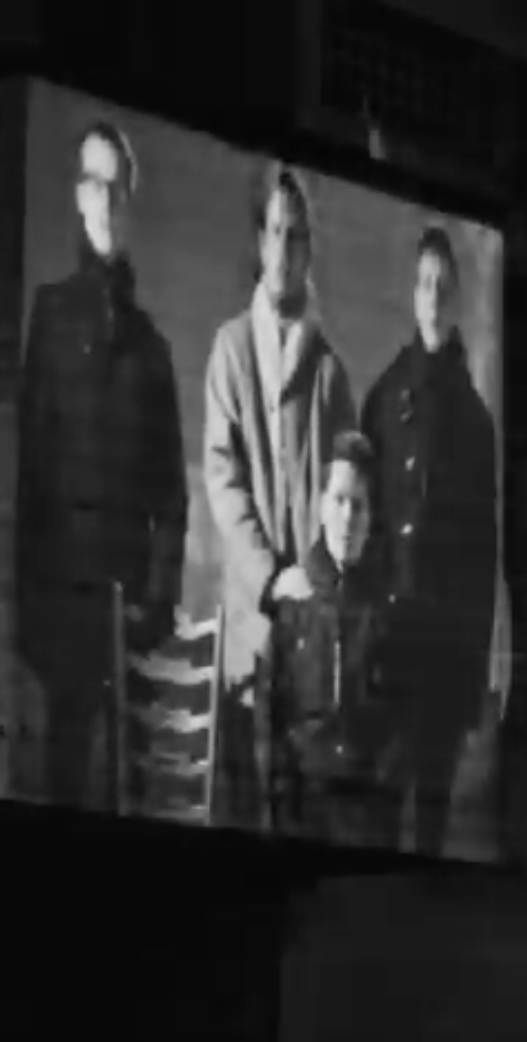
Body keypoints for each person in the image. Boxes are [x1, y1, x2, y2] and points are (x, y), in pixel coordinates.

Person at [16, 120, 187, 812]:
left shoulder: (151, 349)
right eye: (94, 183)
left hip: (127, 610)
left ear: (130, 199)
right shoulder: (51, 317)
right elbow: (32, 463)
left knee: (129, 794)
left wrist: (156, 603)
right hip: (64, 601)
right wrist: (30, 600)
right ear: (78, 195)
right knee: (65, 783)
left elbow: (170, 494)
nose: (106, 199)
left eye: (117, 186)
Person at [203, 165, 358, 828]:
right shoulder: (231, 349)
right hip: (251, 620)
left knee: (303, 814)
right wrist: (270, 576)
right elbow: (222, 477)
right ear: (258, 240)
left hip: (311, 633)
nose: (284, 248)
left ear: (308, 248)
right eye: (274, 231)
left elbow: (347, 494)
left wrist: (312, 579)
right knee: (245, 807)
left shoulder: (330, 371)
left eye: (295, 235)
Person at [360, 225, 502, 857]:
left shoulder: (475, 423)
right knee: (380, 815)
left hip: (444, 658)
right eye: (424, 283)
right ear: (412, 294)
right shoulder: (384, 398)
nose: (433, 296)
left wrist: (473, 678)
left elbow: (482, 556)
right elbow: (365, 528)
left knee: (431, 827)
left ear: (458, 296)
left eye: (443, 285)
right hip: (390, 646)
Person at [261, 432, 395, 848]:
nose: (348, 517)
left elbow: (396, 727)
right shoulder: (294, 599)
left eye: (359, 505)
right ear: (321, 506)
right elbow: (274, 714)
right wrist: (281, 800)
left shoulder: (385, 610)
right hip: (301, 804)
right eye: (338, 500)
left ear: (371, 516)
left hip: (364, 811)